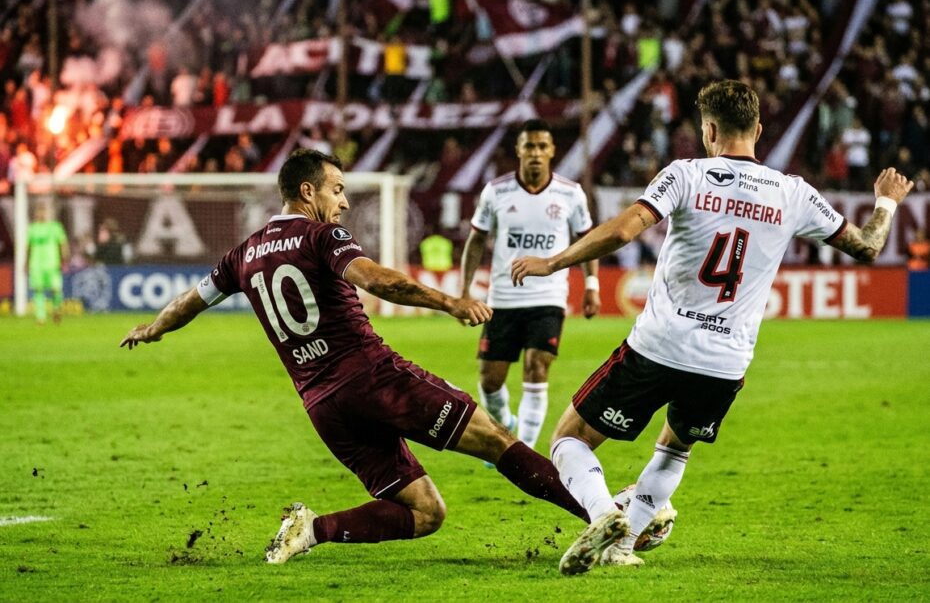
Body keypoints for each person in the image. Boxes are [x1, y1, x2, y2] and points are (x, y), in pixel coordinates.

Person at [511, 80, 914, 575]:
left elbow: (621, 231)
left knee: (569, 438)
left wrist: (554, 264)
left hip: (661, 344)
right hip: (726, 361)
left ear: (709, 130)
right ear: (759, 130)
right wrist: (886, 201)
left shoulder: (686, 174)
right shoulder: (793, 192)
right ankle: (622, 545)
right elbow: (868, 246)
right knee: (675, 448)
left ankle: (604, 516)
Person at [120, 149, 589, 565]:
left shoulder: (243, 253)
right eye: (337, 190)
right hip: (374, 378)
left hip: (323, 406)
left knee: (427, 513)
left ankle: (312, 530)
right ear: (307, 191)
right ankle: (605, 514)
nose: (343, 202)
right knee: (495, 439)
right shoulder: (322, 236)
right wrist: (449, 301)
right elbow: (376, 280)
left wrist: (154, 329)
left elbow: (190, 302)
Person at [460, 119, 600, 452]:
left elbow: (588, 240)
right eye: (529, 146)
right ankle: (505, 422)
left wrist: (591, 284)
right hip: (503, 299)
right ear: (519, 150)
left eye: (541, 146)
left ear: (551, 151)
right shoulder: (497, 191)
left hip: (548, 297)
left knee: (537, 368)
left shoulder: (570, 193)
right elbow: (476, 240)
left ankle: (522, 449)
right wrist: (464, 292)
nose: (535, 153)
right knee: (490, 381)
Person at [26, 201, 69, 324]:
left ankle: (57, 310)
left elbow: (63, 244)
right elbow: (28, 247)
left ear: (48, 213)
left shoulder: (55, 227)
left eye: (43, 212)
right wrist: (26, 263)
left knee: (56, 289)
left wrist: (64, 259)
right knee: (38, 290)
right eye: (39, 212)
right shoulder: (33, 228)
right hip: (36, 264)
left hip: (52, 264)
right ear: (36, 214)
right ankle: (40, 317)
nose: (41, 214)